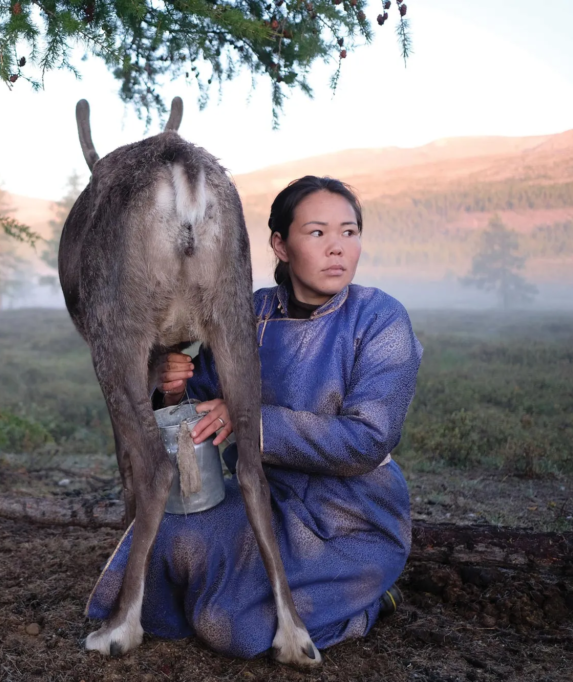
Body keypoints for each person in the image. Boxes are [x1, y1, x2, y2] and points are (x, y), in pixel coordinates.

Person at [86, 176, 422, 658]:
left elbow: (369, 439)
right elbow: (200, 405)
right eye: (317, 233)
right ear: (280, 245)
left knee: (228, 627)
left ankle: (368, 603)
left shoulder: (381, 319)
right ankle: (244, 589)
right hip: (262, 502)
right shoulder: (250, 312)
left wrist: (248, 421)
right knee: (172, 538)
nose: (337, 249)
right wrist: (171, 387)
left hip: (351, 517)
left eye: (349, 233)